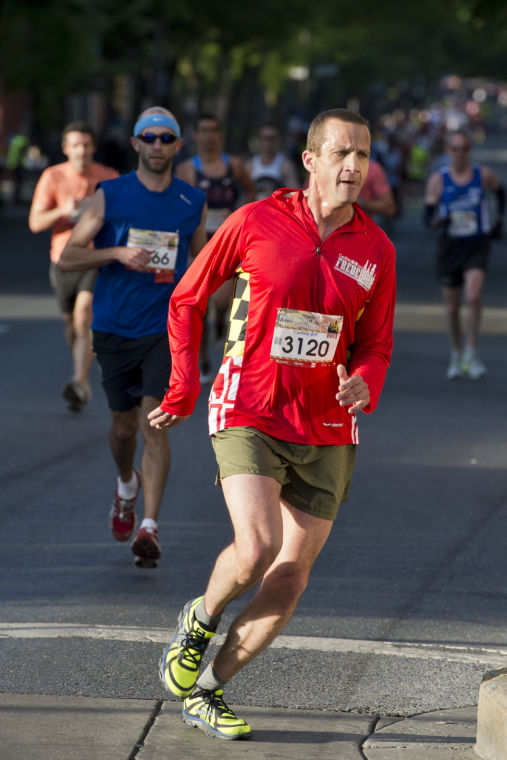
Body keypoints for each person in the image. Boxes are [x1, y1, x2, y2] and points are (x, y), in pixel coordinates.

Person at [149, 108, 396, 739]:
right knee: (256, 546)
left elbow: (376, 343)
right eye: (341, 154)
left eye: (363, 156)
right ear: (310, 160)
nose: (354, 167)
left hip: (328, 425)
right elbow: (187, 296)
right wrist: (182, 383)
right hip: (250, 408)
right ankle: (200, 619)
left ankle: (208, 688)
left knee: (291, 574)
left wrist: (366, 380)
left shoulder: (376, 248)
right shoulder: (257, 220)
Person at [59, 108, 207, 568]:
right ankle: (127, 484)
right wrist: (118, 251)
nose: (159, 146)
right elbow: (68, 256)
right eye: (150, 138)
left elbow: (201, 264)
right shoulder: (111, 195)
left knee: (153, 423)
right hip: (114, 326)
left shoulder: (192, 201)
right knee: (124, 428)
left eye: (167, 139)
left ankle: (150, 526)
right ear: (137, 144)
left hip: (166, 329)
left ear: (178, 146)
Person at [29, 122, 119, 411]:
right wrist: (62, 211)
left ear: (93, 147)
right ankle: (80, 373)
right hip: (63, 259)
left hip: (96, 257)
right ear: (66, 148)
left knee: (83, 314)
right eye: (76, 145)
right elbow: (35, 223)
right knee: (71, 323)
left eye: (86, 144)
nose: (82, 150)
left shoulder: (110, 178)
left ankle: (79, 381)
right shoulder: (52, 176)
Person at [175, 114, 256, 380]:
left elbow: (250, 190)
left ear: (219, 135)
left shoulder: (233, 165)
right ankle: (203, 358)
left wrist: (241, 217)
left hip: (229, 242)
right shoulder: (187, 170)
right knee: (199, 302)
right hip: (199, 244)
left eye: (213, 130)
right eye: (204, 130)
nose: (209, 136)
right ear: (196, 136)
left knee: (221, 303)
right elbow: (179, 204)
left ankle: (220, 326)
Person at [424, 129, 504, 380]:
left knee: (473, 294)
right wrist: (440, 222)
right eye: (454, 148)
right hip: (450, 247)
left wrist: (498, 220)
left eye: (463, 148)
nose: (459, 153)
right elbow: (428, 216)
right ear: (448, 151)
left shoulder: (483, 175)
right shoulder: (439, 179)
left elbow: (501, 192)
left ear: (469, 150)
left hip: (476, 244)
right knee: (452, 305)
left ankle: (471, 350)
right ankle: (456, 352)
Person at [247, 124, 300, 199]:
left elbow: (295, 195)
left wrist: (275, 195)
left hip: (276, 208)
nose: (268, 142)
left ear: (277, 140)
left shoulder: (285, 165)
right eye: (265, 138)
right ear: (259, 141)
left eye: (272, 138)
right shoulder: (250, 165)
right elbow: (244, 194)